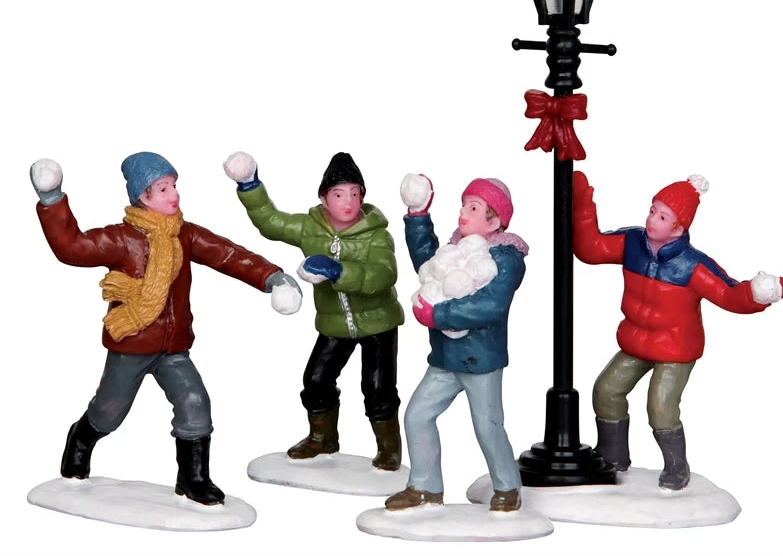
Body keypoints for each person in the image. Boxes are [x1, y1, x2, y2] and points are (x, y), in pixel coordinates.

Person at [30, 152, 303, 506]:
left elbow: (227, 254)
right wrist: (52, 199)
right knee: (108, 412)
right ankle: (80, 441)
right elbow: (73, 248)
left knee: (195, 402)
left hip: (174, 347)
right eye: (163, 188)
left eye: (174, 186)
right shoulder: (122, 238)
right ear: (142, 196)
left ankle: (193, 479)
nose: (174, 194)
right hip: (131, 344)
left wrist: (272, 278)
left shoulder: (184, 235)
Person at [572, 170, 783, 490]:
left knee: (660, 406)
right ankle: (612, 457)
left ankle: (676, 467)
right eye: (652, 210)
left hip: (675, 347)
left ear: (679, 227)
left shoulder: (693, 265)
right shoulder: (632, 243)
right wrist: (582, 207)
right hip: (636, 341)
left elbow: (727, 293)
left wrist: (755, 295)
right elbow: (592, 248)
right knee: (606, 390)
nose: (651, 219)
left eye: (662, 216)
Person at [223, 151, 404, 471]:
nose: (348, 201)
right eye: (339, 194)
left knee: (378, 387)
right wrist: (249, 185)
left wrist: (338, 271)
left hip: (378, 322)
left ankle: (389, 448)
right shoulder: (310, 228)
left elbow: (384, 275)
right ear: (324, 198)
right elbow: (271, 223)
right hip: (334, 324)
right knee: (317, 379)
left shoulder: (376, 234)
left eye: (355, 193)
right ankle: (323, 437)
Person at [385, 173, 527, 512]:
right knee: (417, 415)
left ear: (494, 220)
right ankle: (424, 486)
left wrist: (438, 315)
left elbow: (489, 305)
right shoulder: (454, 249)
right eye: (464, 205)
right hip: (445, 358)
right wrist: (418, 216)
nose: (463, 212)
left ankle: (508, 487)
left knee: (488, 427)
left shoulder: (504, 259)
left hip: (480, 360)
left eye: (474, 207)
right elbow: (427, 263)